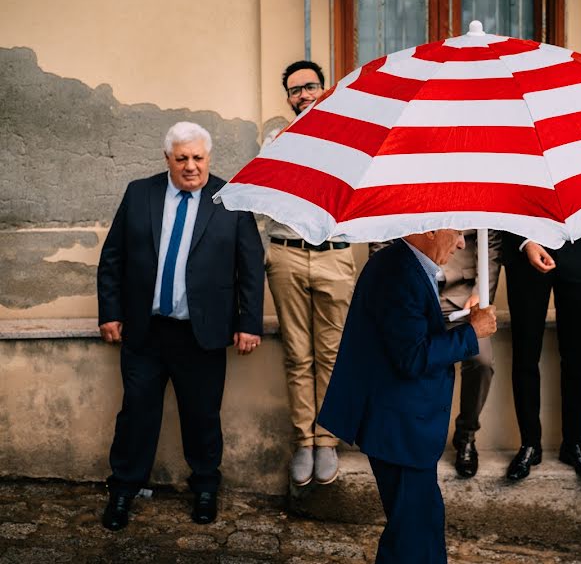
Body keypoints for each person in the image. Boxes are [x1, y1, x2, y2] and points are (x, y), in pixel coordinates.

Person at [97, 121, 265, 531]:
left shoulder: (231, 199)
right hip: (145, 330)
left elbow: (250, 267)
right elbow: (113, 257)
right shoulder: (140, 193)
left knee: (202, 415)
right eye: (182, 158)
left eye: (198, 158)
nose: (191, 167)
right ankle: (122, 491)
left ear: (209, 158)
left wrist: (249, 322)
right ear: (167, 159)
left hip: (201, 333)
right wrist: (109, 312)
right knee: (137, 413)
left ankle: (206, 487)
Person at [318, 230, 497, 564]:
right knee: (416, 536)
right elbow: (413, 357)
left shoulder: (404, 265)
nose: (461, 244)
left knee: (415, 528)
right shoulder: (397, 273)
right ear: (430, 230)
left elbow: (411, 336)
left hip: (402, 425)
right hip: (398, 428)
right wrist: (472, 333)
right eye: (456, 233)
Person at [264, 60, 356, 487]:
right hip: (286, 254)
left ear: (325, 90)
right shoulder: (276, 140)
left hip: (335, 256)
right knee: (297, 354)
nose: (303, 95)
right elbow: (274, 195)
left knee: (333, 354)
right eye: (295, 90)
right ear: (287, 98)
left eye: (311, 87)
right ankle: (303, 439)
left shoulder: (348, 140)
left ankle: (327, 441)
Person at [370, 230, 502, 478]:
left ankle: (466, 435)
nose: (462, 241)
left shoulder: (480, 194)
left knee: (481, 361)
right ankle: (411, 435)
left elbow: (491, 245)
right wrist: (389, 286)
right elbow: (383, 238)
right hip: (413, 291)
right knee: (410, 360)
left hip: (461, 299)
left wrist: (480, 294)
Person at [501, 232, 581, 481]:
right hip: (525, 253)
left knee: (577, 355)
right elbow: (506, 196)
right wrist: (525, 243)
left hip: (577, 250)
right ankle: (529, 444)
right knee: (525, 352)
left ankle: (574, 444)